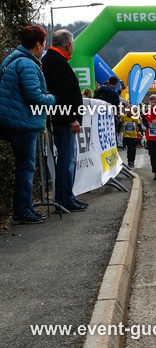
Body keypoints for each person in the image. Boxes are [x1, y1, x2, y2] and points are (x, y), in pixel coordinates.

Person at [0, 25, 55, 225]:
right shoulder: (28, 64)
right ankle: (22, 210)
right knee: (26, 167)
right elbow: (34, 96)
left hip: (13, 120)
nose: (44, 47)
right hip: (23, 122)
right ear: (38, 44)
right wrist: (51, 98)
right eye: (43, 43)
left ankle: (25, 208)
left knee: (24, 166)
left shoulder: (12, 60)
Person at [42, 29, 87, 212]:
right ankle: (64, 199)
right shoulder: (57, 62)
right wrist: (71, 119)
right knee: (67, 161)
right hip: (63, 121)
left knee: (68, 160)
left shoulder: (53, 59)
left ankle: (67, 196)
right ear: (68, 44)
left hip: (61, 119)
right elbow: (62, 94)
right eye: (73, 45)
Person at [120, 102, 141, 169]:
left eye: (131, 110)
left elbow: (139, 125)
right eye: (128, 110)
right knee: (130, 148)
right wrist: (118, 131)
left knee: (133, 149)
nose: (129, 111)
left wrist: (140, 132)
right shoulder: (123, 117)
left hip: (134, 135)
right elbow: (120, 124)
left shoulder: (135, 117)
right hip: (127, 135)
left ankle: (132, 161)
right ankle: (129, 161)